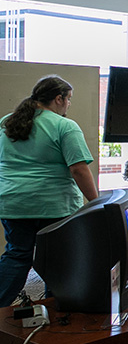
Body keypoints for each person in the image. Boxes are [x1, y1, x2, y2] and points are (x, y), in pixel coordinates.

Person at [0, 75, 99, 307]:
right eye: (69, 99)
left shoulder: (7, 122)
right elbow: (78, 170)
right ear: (58, 99)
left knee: (16, 255)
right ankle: (58, 309)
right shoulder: (64, 126)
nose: (69, 104)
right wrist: (96, 202)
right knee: (57, 260)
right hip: (54, 207)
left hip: (13, 204)